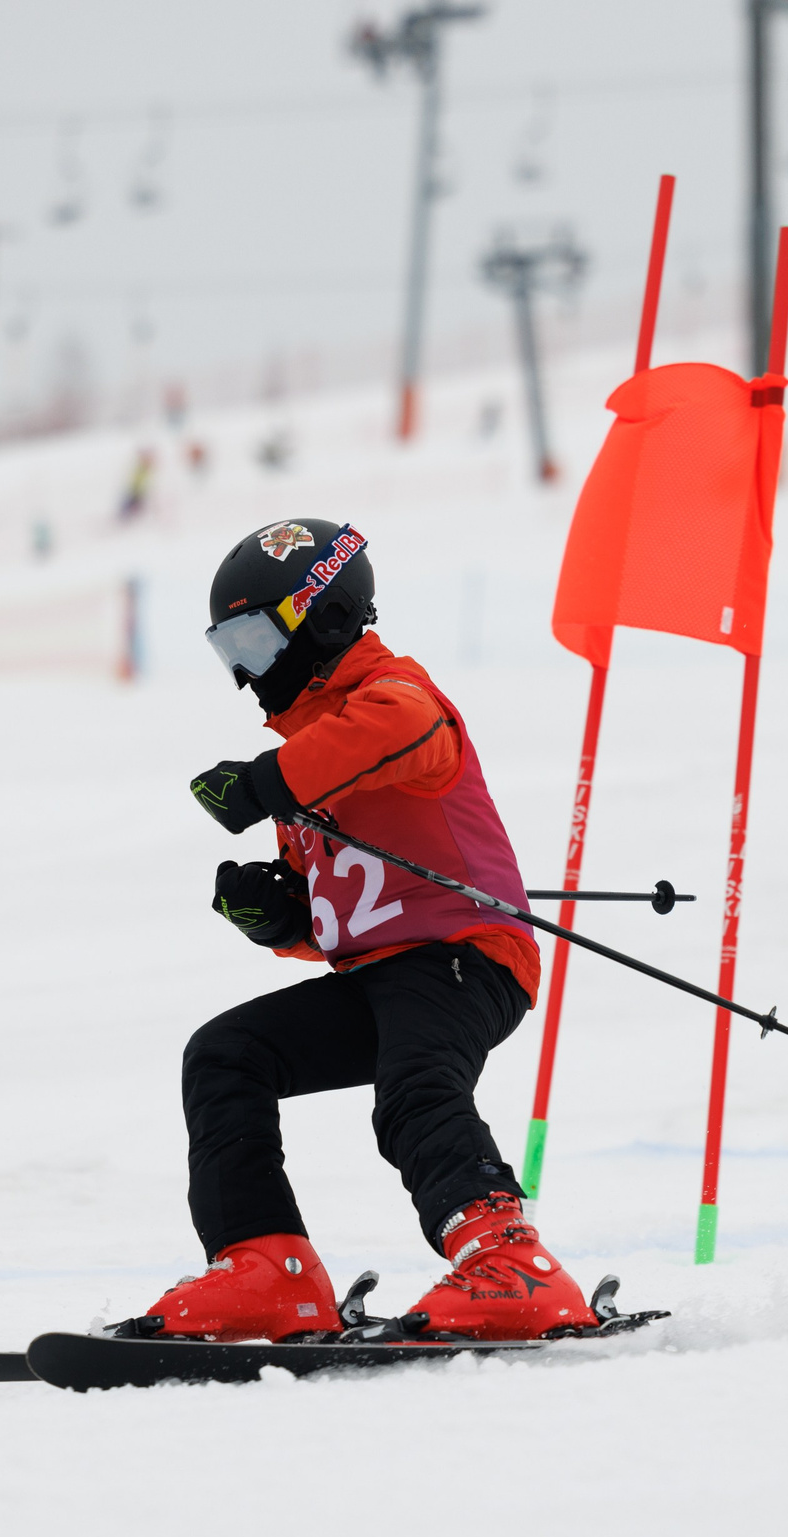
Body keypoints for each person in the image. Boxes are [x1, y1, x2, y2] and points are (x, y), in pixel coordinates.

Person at [122, 517, 600, 1343]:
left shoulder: (394, 697)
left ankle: (509, 1260)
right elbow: (339, 918)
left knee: (414, 1086)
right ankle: (267, 1267)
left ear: (326, 617)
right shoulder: (311, 756)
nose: (247, 673)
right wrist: (280, 917)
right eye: (231, 650)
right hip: (378, 976)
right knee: (227, 1055)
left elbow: (403, 731)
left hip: (467, 957)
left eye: (256, 642)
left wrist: (267, 782)